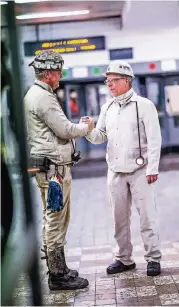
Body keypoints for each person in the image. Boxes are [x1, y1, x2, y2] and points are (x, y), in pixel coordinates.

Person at [83, 60, 162, 276]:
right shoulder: (106, 107)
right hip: (115, 172)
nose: (109, 84)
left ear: (126, 81)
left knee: (147, 216)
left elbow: (154, 139)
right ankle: (124, 259)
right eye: (108, 80)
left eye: (114, 80)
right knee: (119, 218)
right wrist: (88, 129)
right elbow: (100, 137)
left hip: (140, 171)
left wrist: (152, 168)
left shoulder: (144, 105)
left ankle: (153, 258)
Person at [24, 50, 94, 290]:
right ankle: (57, 276)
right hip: (54, 170)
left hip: (48, 166)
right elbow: (64, 130)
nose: (60, 75)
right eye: (57, 71)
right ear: (47, 73)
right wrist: (86, 127)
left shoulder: (37, 93)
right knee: (56, 219)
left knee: (51, 216)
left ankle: (59, 268)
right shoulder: (43, 97)